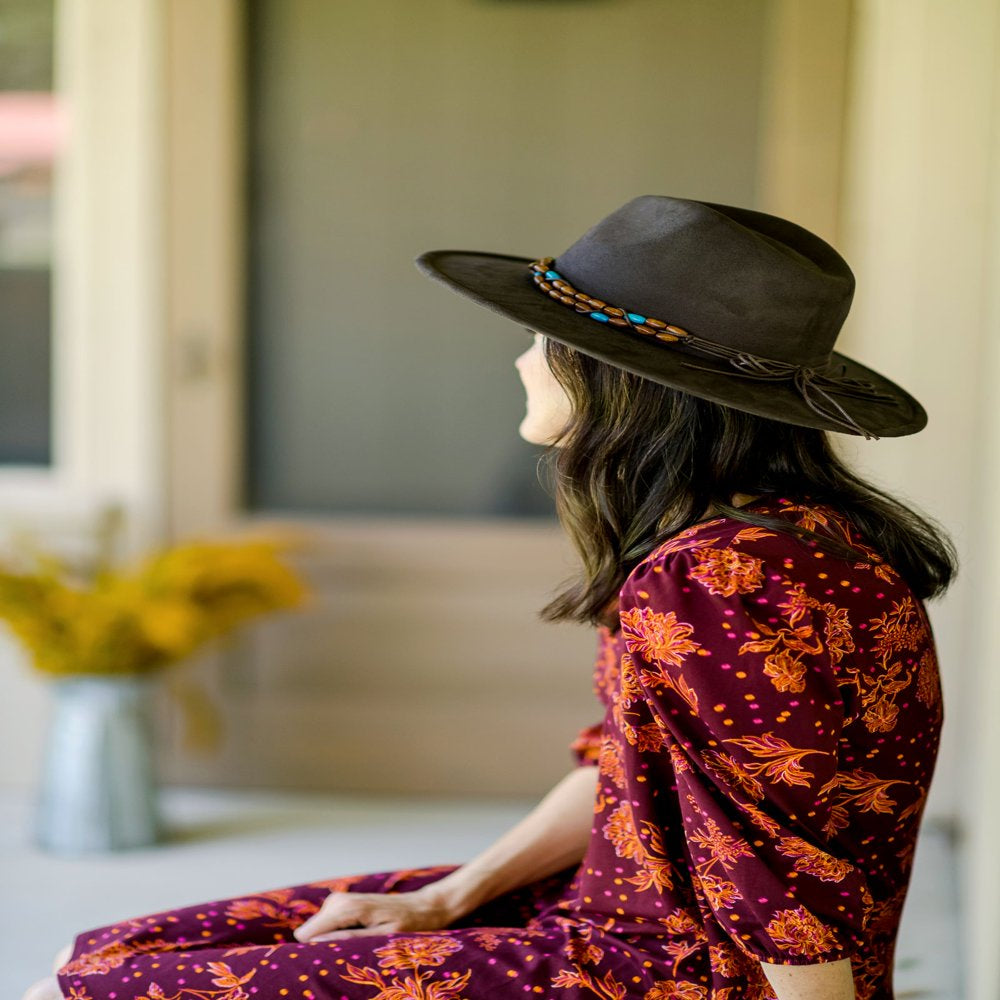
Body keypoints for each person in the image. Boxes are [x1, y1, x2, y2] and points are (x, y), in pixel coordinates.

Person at [27, 195, 955, 1000]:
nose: (520, 361)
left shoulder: (715, 575)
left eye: (543, 339)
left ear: (621, 381)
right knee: (113, 950)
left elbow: (774, 872)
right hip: (633, 911)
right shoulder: (798, 537)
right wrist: (444, 901)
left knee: (89, 987)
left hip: (674, 965)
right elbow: (622, 775)